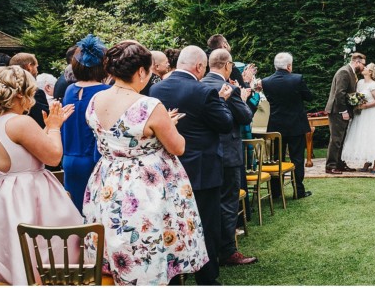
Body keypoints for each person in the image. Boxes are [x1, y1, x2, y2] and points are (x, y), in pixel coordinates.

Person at [84, 41, 209, 285]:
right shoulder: (149, 105)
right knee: (149, 237)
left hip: (107, 181)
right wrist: (169, 126)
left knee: (116, 237)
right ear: (141, 71)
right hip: (144, 186)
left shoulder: (95, 100)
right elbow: (178, 147)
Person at [0, 66, 81, 285]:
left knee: (11, 252)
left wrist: (51, 126)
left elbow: (24, 153)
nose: (32, 100)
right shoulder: (21, 122)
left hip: (1, 193)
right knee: (43, 251)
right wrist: (53, 127)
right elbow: (52, 157)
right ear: (20, 95)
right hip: (28, 194)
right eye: (31, 94)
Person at [150, 45, 233, 285]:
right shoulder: (204, 91)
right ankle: (207, 277)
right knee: (206, 223)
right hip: (202, 169)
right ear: (199, 67)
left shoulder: (156, 88)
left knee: (173, 223)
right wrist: (221, 101)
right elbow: (225, 124)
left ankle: (175, 276)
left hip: (168, 168)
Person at [201, 49, 258, 266]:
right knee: (228, 203)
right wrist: (242, 98)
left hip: (203, 155)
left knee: (208, 204)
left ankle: (208, 250)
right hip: (227, 155)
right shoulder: (230, 89)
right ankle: (227, 251)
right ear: (227, 66)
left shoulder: (199, 85)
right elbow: (244, 117)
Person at [61, 34, 110, 213]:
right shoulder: (106, 92)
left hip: (69, 159)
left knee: (75, 214)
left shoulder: (69, 90)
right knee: (95, 214)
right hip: (93, 160)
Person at [259, 52, 313, 198]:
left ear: (275, 66)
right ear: (289, 66)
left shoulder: (266, 81)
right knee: (297, 159)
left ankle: (276, 192)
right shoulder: (297, 79)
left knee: (277, 158)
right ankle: (298, 191)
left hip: (276, 125)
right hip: (296, 124)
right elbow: (309, 97)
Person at [324, 53, 366, 174]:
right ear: (357, 62)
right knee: (336, 139)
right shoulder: (344, 72)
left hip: (342, 111)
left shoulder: (351, 72)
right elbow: (339, 94)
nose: (364, 67)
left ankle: (340, 164)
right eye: (363, 64)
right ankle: (330, 166)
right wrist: (344, 111)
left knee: (341, 139)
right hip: (337, 111)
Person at [10, 53, 50, 129]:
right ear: (29, 66)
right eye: (36, 67)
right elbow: (43, 121)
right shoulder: (34, 92)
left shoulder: (8, 90)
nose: (37, 71)